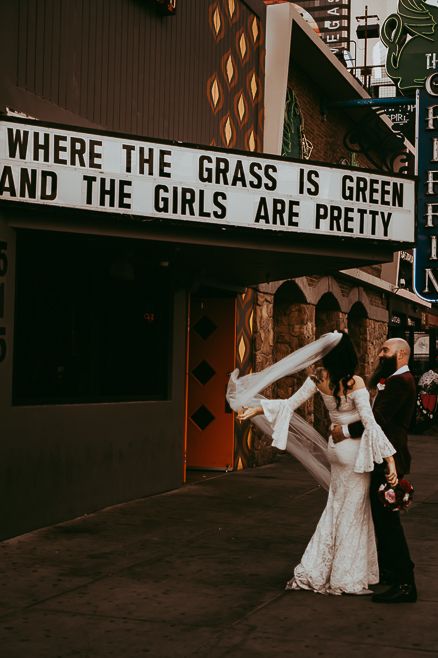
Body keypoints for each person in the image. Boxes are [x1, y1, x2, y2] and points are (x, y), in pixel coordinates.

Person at [237, 331, 397, 596]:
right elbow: (370, 423)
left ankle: (317, 568)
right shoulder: (354, 382)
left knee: (335, 507)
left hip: (334, 450)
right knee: (353, 513)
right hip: (352, 453)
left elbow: (290, 404)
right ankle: (347, 576)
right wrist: (389, 459)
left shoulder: (318, 378)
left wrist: (257, 409)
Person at [332, 337, 417, 603]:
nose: (380, 354)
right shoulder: (395, 381)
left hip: (388, 456)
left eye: (386, 351)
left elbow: (377, 420)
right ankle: (392, 572)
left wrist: (344, 431)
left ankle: (406, 584)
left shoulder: (400, 383)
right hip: (384, 454)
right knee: (382, 519)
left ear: (401, 354)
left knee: (388, 521)